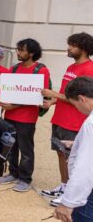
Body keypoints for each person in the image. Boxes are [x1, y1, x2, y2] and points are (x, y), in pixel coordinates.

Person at [41, 32, 93, 206]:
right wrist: (52, 102)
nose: (69, 48)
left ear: (83, 48)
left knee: (72, 158)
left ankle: (70, 194)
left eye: (73, 45)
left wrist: (54, 94)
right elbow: (67, 94)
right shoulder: (71, 67)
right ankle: (64, 186)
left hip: (74, 121)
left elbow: (81, 98)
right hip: (60, 118)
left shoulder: (89, 69)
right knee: (61, 154)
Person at [0, 39, 50, 192]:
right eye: (18, 49)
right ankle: (13, 173)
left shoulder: (41, 70)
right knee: (11, 146)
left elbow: (38, 96)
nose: (18, 53)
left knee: (26, 150)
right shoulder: (13, 69)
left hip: (27, 118)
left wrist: (13, 105)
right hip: (10, 115)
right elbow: (6, 89)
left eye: (22, 50)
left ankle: (25, 179)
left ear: (32, 53)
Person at [54, 76, 93, 222]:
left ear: (82, 99)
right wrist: (78, 142)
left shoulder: (91, 124)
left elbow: (86, 168)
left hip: (89, 196)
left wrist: (68, 203)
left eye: (75, 104)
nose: (77, 109)